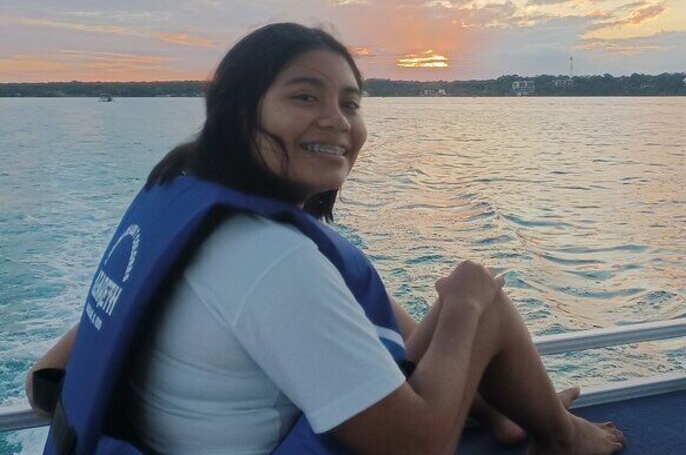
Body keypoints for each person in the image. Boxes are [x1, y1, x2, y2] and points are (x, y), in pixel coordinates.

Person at [27, 23, 625, 454]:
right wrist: (466, 307)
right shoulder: (267, 258)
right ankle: (563, 438)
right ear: (237, 110)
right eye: (304, 96)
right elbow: (415, 450)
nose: (337, 120)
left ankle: (499, 415)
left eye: (350, 102)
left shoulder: (179, 201)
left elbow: (44, 383)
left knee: (367, 281)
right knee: (472, 290)